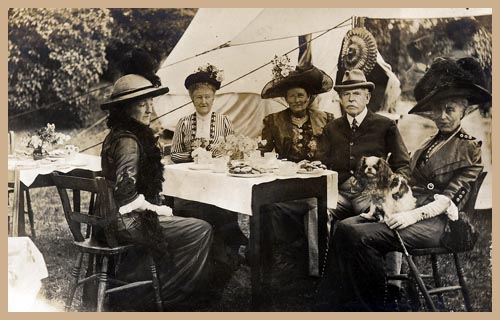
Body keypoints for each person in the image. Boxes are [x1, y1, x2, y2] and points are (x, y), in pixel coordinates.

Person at [316, 57, 490, 311]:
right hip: (409, 209)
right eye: (438, 110)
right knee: (343, 227)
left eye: (450, 110)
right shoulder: (430, 142)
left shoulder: (468, 148)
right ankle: (336, 299)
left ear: (465, 111)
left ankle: (375, 305)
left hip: (440, 224)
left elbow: (450, 200)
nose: (442, 116)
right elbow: (407, 180)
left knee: (360, 235)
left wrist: (408, 217)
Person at [100, 74, 213, 310]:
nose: (149, 109)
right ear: (124, 109)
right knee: (200, 229)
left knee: (182, 220)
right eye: (142, 104)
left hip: (112, 218)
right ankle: (170, 297)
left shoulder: (119, 135)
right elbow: (124, 191)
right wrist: (156, 208)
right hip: (126, 221)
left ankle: (147, 290)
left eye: (150, 102)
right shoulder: (128, 141)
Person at [171, 64, 248, 270]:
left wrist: (213, 155)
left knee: (221, 212)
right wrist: (193, 154)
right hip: (192, 183)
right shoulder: (184, 123)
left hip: (217, 181)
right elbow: (174, 154)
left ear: (214, 98)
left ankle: (224, 255)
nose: (203, 101)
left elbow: (232, 150)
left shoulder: (224, 121)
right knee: (194, 211)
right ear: (192, 99)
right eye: (198, 97)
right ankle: (197, 253)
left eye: (207, 97)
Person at [259, 64, 334, 275]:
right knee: (264, 207)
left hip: (316, 185)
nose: (296, 100)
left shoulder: (326, 119)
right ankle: (273, 263)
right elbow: (264, 153)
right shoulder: (273, 121)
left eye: (301, 95)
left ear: (309, 96)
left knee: (315, 207)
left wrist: (320, 164)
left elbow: (332, 153)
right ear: (285, 98)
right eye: (291, 96)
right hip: (284, 185)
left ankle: (315, 269)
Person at [323, 68, 411, 221]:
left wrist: (395, 186)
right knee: (318, 211)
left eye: (356, 94)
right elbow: (323, 162)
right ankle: (322, 246)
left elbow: (403, 163)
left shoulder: (385, 125)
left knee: (376, 217)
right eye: (346, 94)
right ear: (340, 99)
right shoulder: (331, 128)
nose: (351, 99)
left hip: (370, 193)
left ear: (367, 98)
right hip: (339, 194)